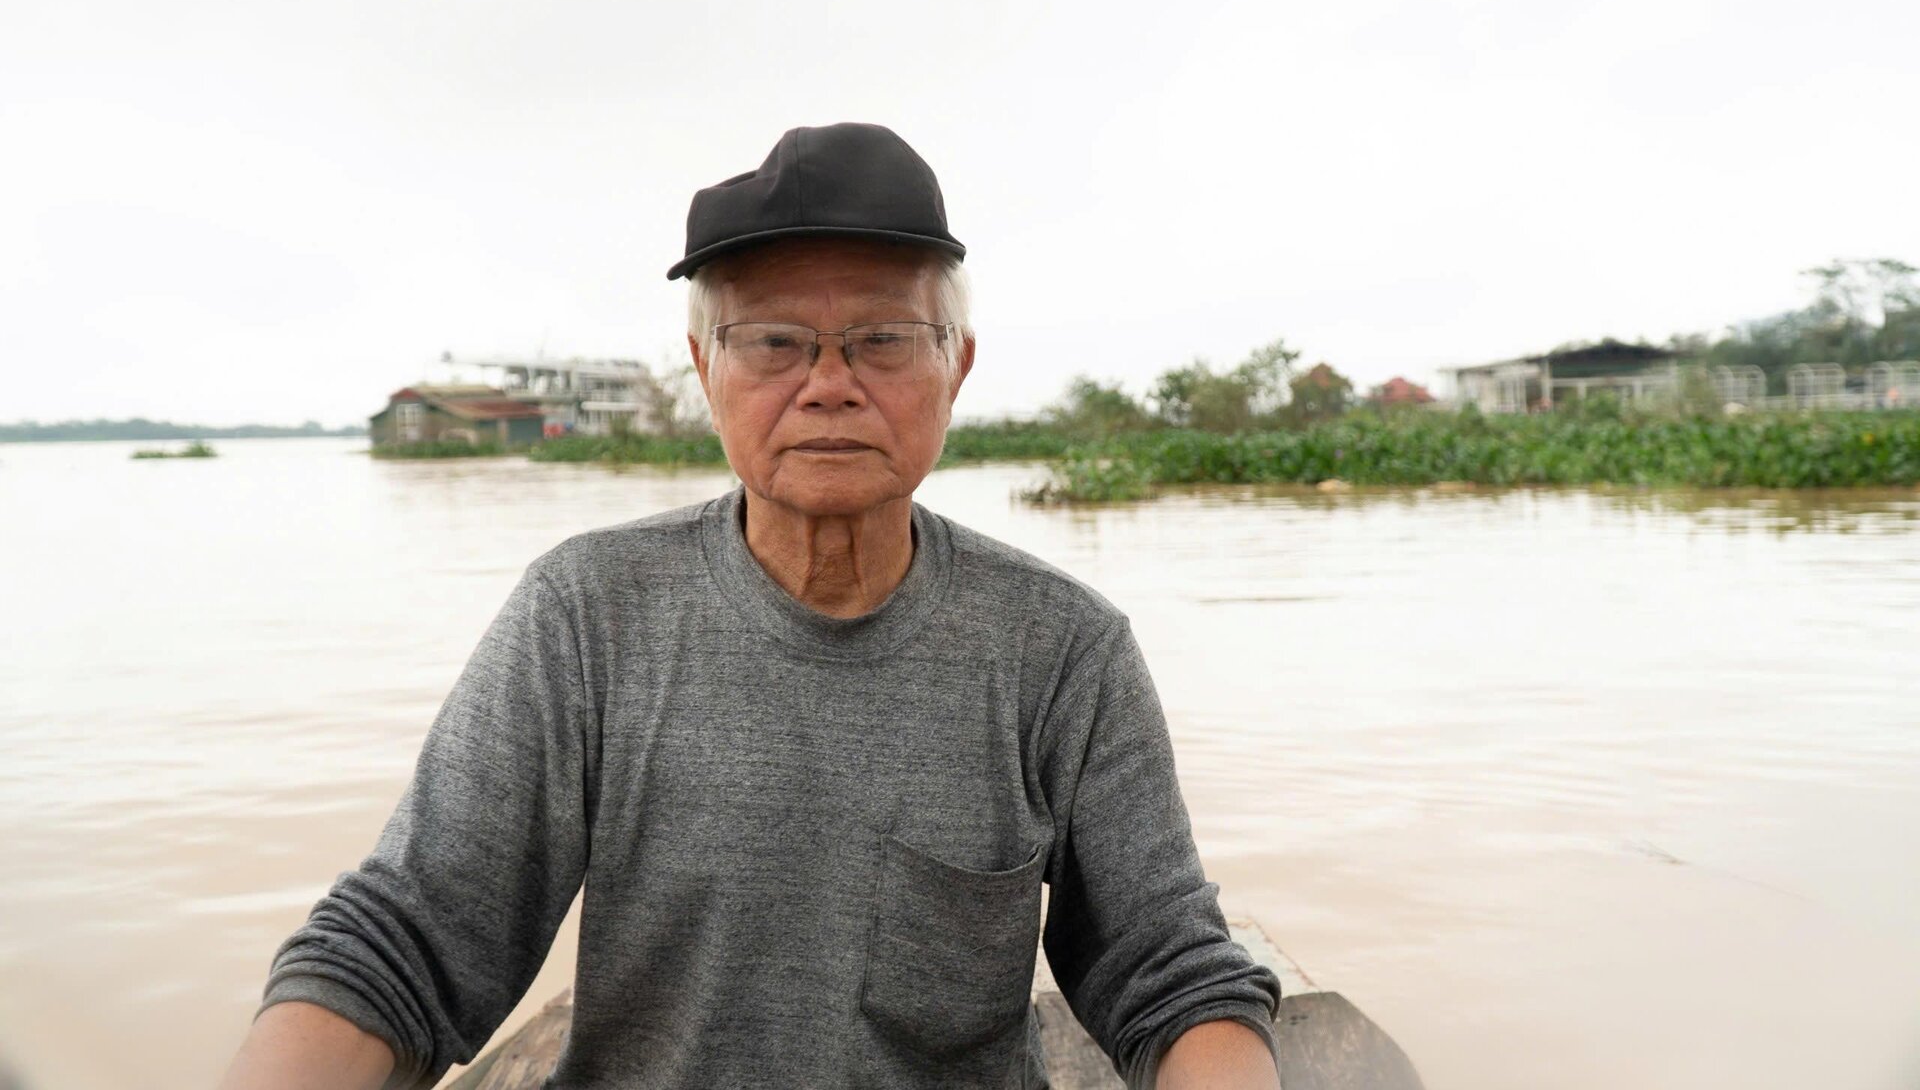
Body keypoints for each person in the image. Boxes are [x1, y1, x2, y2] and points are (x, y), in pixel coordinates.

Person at [218, 123, 1282, 1089]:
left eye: (882, 338)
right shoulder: (587, 616)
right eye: (773, 340)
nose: (827, 383)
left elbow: (1168, 969)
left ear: (955, 366)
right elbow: (411, 937)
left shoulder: (1062, 649)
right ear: (704, 369)